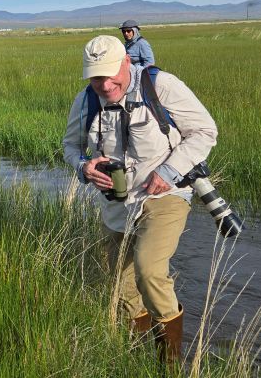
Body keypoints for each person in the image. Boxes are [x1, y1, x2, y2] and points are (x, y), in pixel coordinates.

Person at [61, 35, 217, 365]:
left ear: (126, 62)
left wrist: (170, 171)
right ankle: (136, 357)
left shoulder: (161, 86)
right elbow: (70, 147)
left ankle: (169, 365)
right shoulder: (86, 100)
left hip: (165, 195)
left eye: (109, 74)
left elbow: (205, 131)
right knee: (120, 282)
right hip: (116, 203)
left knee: (148, 269)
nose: (103, 84)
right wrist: (83, 167)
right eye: (95, 77)